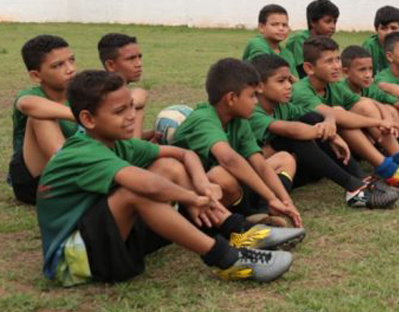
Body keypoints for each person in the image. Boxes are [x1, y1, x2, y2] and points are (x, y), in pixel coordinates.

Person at [37, 70, 293, 285]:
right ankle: (227, 259)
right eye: (119, 111)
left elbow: (184, 154)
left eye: (131, 107)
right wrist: (192, 197)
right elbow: (147, 184)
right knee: (136, 192)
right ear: (88, 119)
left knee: (169, 165)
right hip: (71, 261)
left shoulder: (116, 143)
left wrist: (201, 185)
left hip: (106, 240)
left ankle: (234, 230)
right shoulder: (83, 152)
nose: (130, 117)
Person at [248, 54, 399, 209]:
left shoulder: (281, 105)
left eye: (288, 80)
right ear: (259, 86)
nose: (289, 86)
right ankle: (354, 186)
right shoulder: (251, 111)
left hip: (287, 170)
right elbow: (293, 131)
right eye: (281, 81)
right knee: (292, 138)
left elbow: (325, 114)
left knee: (312, 117)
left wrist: (330, 126)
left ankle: (361, 179)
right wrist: (329, 133)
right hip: (256, 176)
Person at [171, 58, 305, 229]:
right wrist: (271, 197)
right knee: (221, 175)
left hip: (229, 193)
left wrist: (285, 201)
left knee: (284, 159)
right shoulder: (204, 118)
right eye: (252, 96)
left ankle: (265, 213)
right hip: (194, 198)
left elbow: (260, 164)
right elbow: (229, 159)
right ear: (231, 98)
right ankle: (245, 219)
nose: (256, 102)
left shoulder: (239, 120)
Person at [291, 35, 399, 191]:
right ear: (309, 68)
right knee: (340, 112)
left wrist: (387, 119)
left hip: (340, 147)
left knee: (364, 104)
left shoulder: (333, 85)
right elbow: (335, 115)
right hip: (308, 155)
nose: (336, 66)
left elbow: (370, 102)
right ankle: (389, 170)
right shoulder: (301, 91)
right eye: (329, 61)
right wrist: (379, 122)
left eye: (337, 59)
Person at [8, 35, 78, 205]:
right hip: (35, 178)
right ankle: (75, 175)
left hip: (76, 167)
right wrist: (83, 116)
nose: (70, 69)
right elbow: (30, 105)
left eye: (71, 60)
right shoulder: (32, 96)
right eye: (58, 65)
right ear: (36, 75)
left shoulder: (79, 94)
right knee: (40, 116)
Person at [97, 33, 149, 138]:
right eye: (131, 59)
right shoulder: (102, 94)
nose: (138, 64)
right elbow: (130, 148)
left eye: (139, 57)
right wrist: (134, 104)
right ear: (110, 65)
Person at [286, 0, 339, 78]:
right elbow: (303, 71)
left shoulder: (326, 41)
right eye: (328, 22)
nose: (332, 26)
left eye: (335, 22)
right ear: (313, 22)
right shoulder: (300, 39)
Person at [241, 4, 296, 68]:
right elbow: (264, 69)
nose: (281, 28)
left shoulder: (287, 54)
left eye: (284, 25)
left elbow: (294, 77)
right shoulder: (257, 43)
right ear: (261, 27)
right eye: (274, 24)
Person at [362, 5, 399, 73]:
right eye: (384, 28)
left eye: (393, 28)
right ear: (376, 29)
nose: (389, 32)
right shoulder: (370, 46)